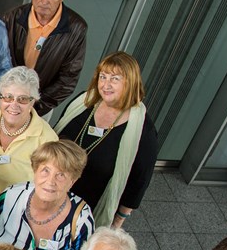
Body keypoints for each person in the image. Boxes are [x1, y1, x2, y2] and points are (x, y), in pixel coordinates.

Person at [53, 51, 157, 228]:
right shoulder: (83, 102)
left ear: (130, 83)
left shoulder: (143, 130)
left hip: (91, 206)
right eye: (103, 77)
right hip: (55, 190)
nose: (106, 85)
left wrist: (117, 222)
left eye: (115, 79)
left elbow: (138, 182)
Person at [0, 0, 88, 118]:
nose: (45, 0)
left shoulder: (76, 28)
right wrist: (6, 98)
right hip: (3, 100)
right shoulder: (11, 18)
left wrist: (34, 107)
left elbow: (68, 79)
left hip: (40, 106)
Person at [0, 139, 94, 250]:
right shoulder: (10, 196)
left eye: (61, 175)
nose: (50, 181)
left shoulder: (82, 219)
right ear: (35, 171)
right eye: (45, 170)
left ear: (73, 181)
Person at [0, 66, 58, 194]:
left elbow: (46, 186)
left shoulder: (47, 139)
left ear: (33, 102)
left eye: (23, 99)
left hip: (19, 204)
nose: (14, 105)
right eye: (8, 97)